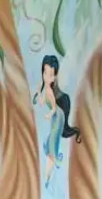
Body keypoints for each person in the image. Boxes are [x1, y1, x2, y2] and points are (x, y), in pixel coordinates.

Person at [32, 55, 81, 188]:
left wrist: (49, 114)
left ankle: (48, 176)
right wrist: (38, 93)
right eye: (45, 73)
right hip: (55, 117)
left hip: (58, 117)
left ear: (54, 77)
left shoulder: (50, 92)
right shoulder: (46, 89)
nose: (47, 77)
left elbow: (53, 108)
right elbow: (42, 102)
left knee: (52, 146)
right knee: (50, 145)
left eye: (50, 74)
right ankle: (49, 173)